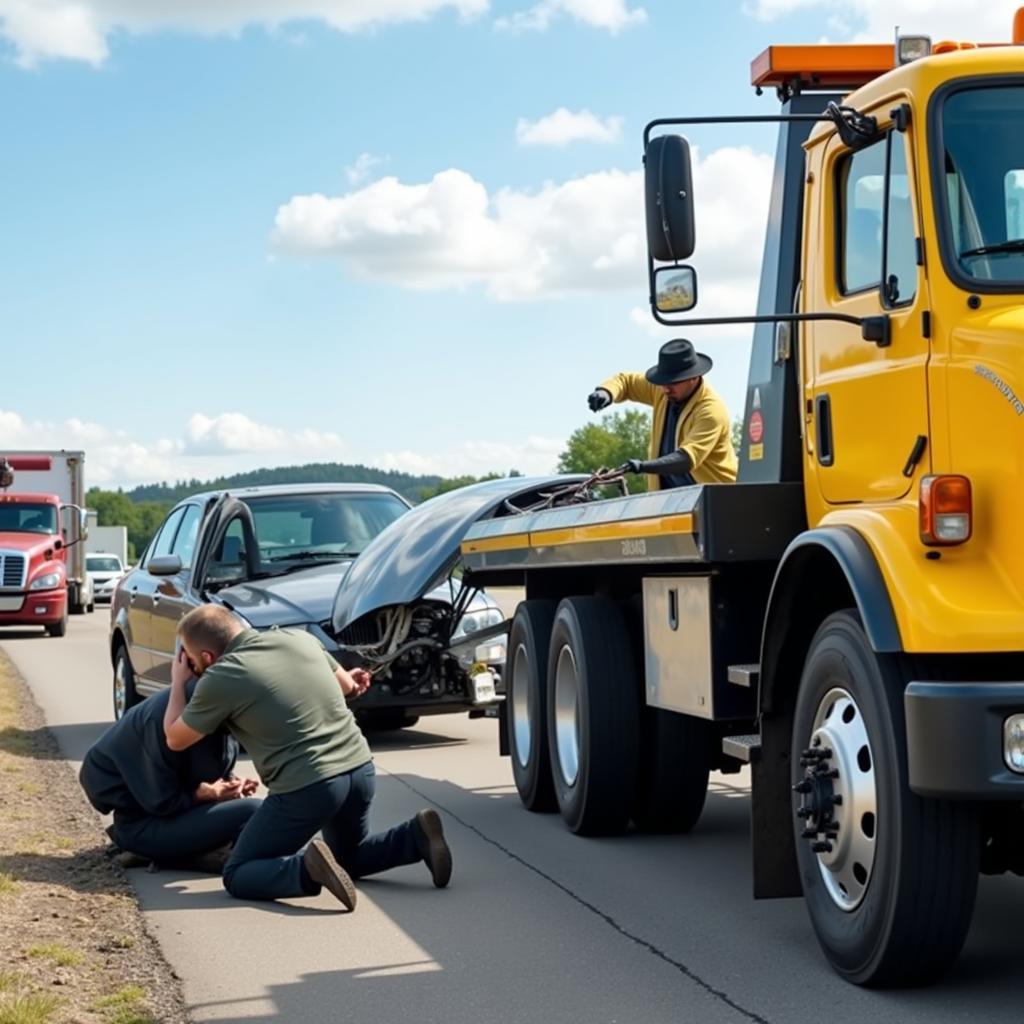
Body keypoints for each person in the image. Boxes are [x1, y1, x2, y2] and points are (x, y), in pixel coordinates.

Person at [163, 605, 452, 911]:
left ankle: (307, 868)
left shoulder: (222, 675)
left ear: (206, 657)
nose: (194, 669)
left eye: (193, 663)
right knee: (348, 857)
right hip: (360, 770)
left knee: (238, 873)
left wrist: (178, 682)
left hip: (309, 786)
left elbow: (175, 738)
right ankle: (415, 837)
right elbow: (348, 686)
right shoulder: (297, 638)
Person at [79, 683, 261, 869]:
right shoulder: (161, 721)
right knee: (254, 810)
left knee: (267, 814)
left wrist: (231, 786)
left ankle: (196, 854)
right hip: (143, 826)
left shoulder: (215, 720)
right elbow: (161, 801)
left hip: (178, 814)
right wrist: (202, 795)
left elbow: (208, 768)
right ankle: (171, 855)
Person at [588, 338, 738, 489]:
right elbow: (626, 381)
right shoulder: (663, 391)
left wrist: (641, 466)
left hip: (718, 501)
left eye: (673, 383)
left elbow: (685, 460)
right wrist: (606, 391)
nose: (666, 389)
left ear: (693, 377)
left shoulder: (711, 411)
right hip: (670, 499)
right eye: (663, 382)